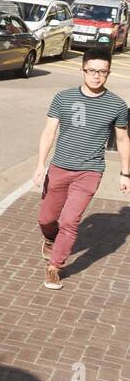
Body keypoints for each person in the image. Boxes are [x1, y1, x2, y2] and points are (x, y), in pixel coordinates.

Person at [32, 47, 130, 290]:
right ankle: (49, 237)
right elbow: (48, 132)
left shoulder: (117, 105)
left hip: (90, 171)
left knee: (70, 220)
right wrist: (40, 165)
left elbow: (123, 140)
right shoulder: (63, 98)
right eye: (92, 70)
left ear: (108, 73)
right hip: (59, 168)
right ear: (82, 70)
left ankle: (55, 268)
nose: (97, 76)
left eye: (102, 72)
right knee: (47, 219)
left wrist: (125, 173)